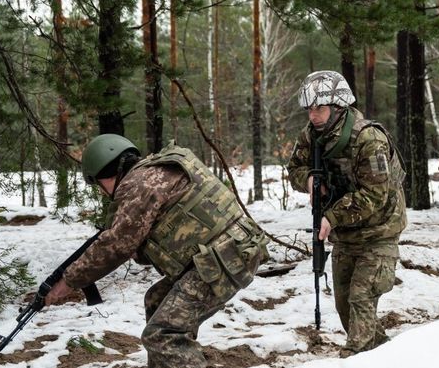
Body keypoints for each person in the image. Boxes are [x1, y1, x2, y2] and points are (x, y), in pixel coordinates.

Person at [44, 134, 270, 368]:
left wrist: (68, 281)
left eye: (98, 184)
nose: (101, 192)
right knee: (156, 301)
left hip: (222, 259)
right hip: (233, 251)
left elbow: (115, 246)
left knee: (163, 336)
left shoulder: (139, 184)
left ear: (106, 174)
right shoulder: (156, 170)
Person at [286, 70, 406, 358]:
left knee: (360, 300)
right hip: (345, 235)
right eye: (310, 109)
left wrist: (331, 217)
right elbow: (294, 169)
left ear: (338, 106)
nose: (313, 115)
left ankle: (354, 360)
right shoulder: (312, 135)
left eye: (320, 108)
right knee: (345, 309)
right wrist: (310, 180)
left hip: (379, 233)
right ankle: (392, 357)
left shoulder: (368, 138)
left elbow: (375, 195)